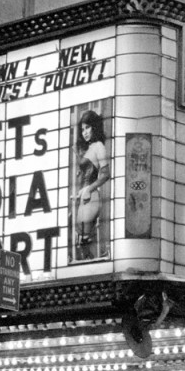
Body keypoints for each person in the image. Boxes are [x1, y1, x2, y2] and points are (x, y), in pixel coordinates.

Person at [71, 108, 110, 261]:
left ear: (94, 127)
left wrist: (88, 188)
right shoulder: (91, 148)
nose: (85, 132)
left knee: (83, 240)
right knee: (81, 241)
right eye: (83, 129)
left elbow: (105, 174)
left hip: (92, 196)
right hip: (85, 196)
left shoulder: (99, 146)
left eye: (88, 127)